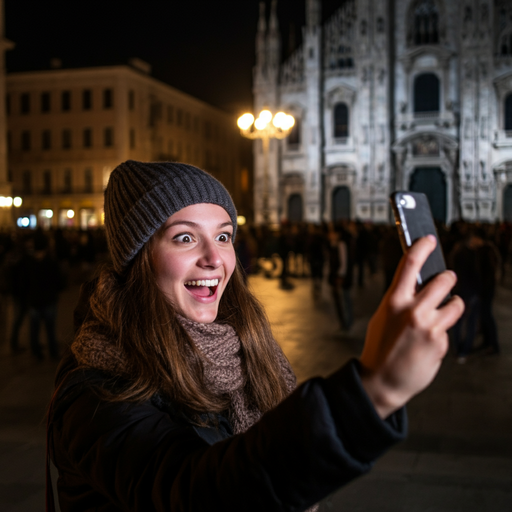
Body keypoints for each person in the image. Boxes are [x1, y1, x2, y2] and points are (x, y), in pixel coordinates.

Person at [47, 160, 463, 512]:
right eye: (185, 237)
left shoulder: (244, 346)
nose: (214, 258)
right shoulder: (96, 391)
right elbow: (200, 492)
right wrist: (373, 390)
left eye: (224, 236)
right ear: (137, 257)